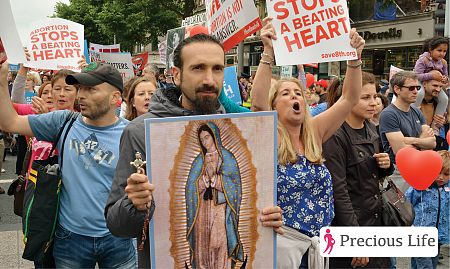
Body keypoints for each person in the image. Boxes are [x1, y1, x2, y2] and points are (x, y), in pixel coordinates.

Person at [105, 33, 283, 268]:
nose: (209, 79)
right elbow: (118, 225)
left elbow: (241, 195)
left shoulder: (244, 129)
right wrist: (135, 205)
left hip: (221, 215)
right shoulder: (141, 131)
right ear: (177, 75)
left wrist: (268, 217)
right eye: (198, 68)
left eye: (217, 69)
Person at [252, 17, 365, 268]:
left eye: (298, 94)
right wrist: (268, 52)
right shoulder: (270, 134)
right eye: (285, 94)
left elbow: (349, 98)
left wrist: (354, 58)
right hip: (283, 246)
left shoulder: (313, 132)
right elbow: (257, 104)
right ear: (274, 106)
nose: (295, 97)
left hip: (317, 245)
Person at [0, 61, 135, 268]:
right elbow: (9, 122)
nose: (81, 95)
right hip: (70, 238)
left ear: (115, 98)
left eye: (91, 89)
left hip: (117, 237)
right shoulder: (63, 121)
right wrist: (2, 80)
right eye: (80, 88)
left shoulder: (133, 134)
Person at [323, 71, 393, 268]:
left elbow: (371, 176)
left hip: (375, 224)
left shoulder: (371, 128)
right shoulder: (335, 135)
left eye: (375, 96)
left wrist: (386, 166)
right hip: (351, 228)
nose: (374, 103)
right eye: (365, 97)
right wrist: (355, 240)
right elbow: (339, 192)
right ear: (348, 98)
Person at [186, 122, 243, 269]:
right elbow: (190, 188)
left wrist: (218, 181)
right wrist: (202, 183)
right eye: (202, 139)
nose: (205, 142)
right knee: (203, 244)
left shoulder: (227, 157)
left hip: (221, 208)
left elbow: (235, 185)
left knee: (219, 242)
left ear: (214, 137)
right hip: (202, 210)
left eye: (207, 137)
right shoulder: (199, 161)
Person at [379, 71, 436, 193]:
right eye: (411, 88)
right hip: (399, 171)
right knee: (401, 210)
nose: (416, 91)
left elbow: (432, 143)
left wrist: (411, 140)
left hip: (420, 167)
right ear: (397, 89)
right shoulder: (389, 114)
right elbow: (401, 151)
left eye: (418, 87)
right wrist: (422, 140)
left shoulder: (416, 111)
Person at [405, 150, 450, 269]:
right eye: (438, 172)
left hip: (438, 235)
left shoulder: (447, 188)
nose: (441, 177)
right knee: (426, 266)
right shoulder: (420, 186)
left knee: (425, 264)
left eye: (446, 174)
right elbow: (407, 203)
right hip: (420, 235)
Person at [414, 37, 449, 135]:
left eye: (444, 51)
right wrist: (431, 75)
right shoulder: (423, 60)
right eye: (439, 50)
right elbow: (416, 75)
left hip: (435, 83)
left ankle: (435, 126)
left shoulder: (443, 62)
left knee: (445, 99)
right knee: (419, 93)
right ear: (430, 49)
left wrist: (445, 79)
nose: (442, 53)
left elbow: (446, 75)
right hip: (420, 82)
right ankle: (413, 116)